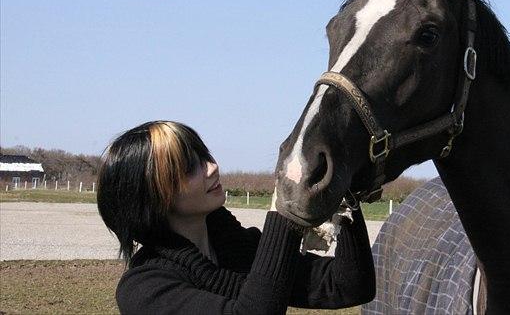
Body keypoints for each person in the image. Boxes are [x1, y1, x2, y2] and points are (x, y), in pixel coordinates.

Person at [97, 120, 375, 314]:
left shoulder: (241, 250)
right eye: (189, 168)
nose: (212, 167)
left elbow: (347, 286)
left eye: (204, 155)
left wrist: (346, 189)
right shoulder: (145, 288)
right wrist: (284, 210)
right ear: (152, 196)